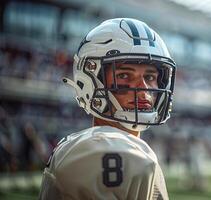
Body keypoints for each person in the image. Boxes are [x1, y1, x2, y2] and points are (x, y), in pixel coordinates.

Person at [39, 18, 176, 200]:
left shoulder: (83, 147)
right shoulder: (109, 151)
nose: (143, 87)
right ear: (91, 80)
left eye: (150, 77)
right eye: (124, 75)